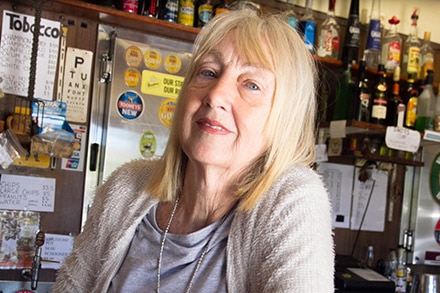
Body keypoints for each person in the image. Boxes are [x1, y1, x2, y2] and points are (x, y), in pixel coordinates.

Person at [52, 8, 334, 293]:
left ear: (285, 118)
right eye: (208, 72)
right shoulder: (126, 186)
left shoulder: (293, 198)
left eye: (251, 84)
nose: (215, 95)